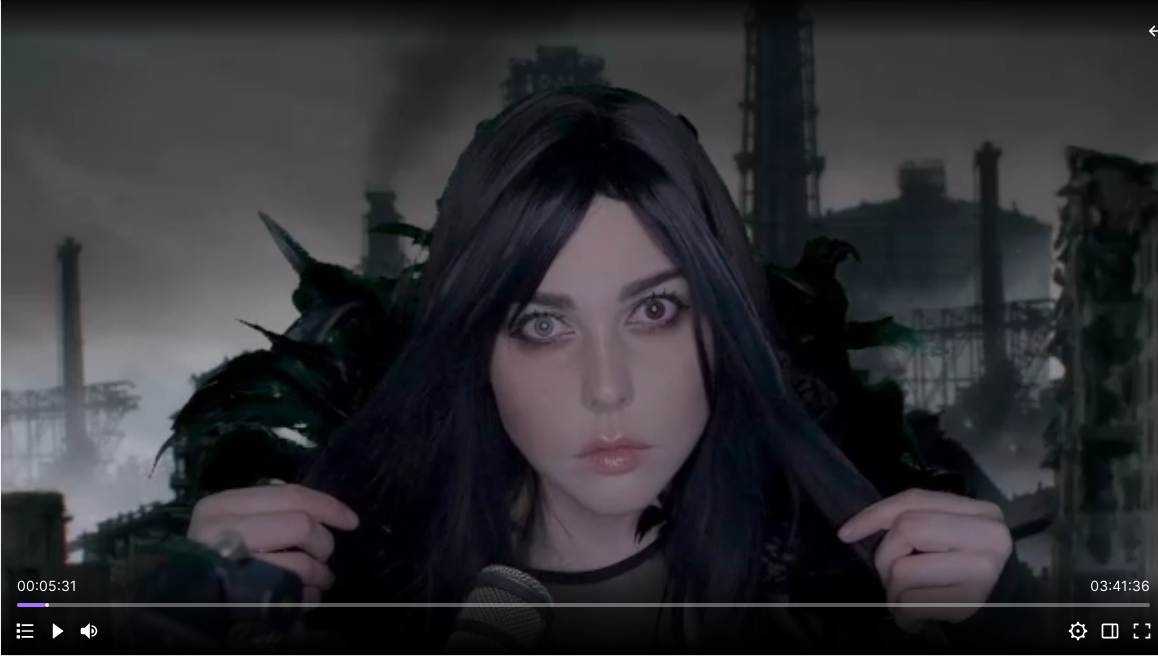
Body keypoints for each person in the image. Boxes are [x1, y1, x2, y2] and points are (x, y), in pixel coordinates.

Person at [186, 86, 1037, 651]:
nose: (607, 387)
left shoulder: (852, 584)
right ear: (476, 351)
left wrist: (1013, 624)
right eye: (542, 324)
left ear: (723, 325)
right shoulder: (363, 597)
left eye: (655, 311)